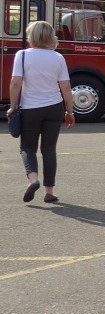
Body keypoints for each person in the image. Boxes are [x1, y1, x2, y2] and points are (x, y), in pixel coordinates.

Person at [6, 20, 75, 204]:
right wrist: (70, 111)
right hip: (54, 108)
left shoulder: (22, 55)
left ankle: (33, 180)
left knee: (28, 147)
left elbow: (15, 83)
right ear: (50, 37)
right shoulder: (58, 57)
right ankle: (49, 192)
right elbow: (66, 87)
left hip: (30, 108)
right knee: (49, 149)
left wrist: (13, 106)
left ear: (31, 36)